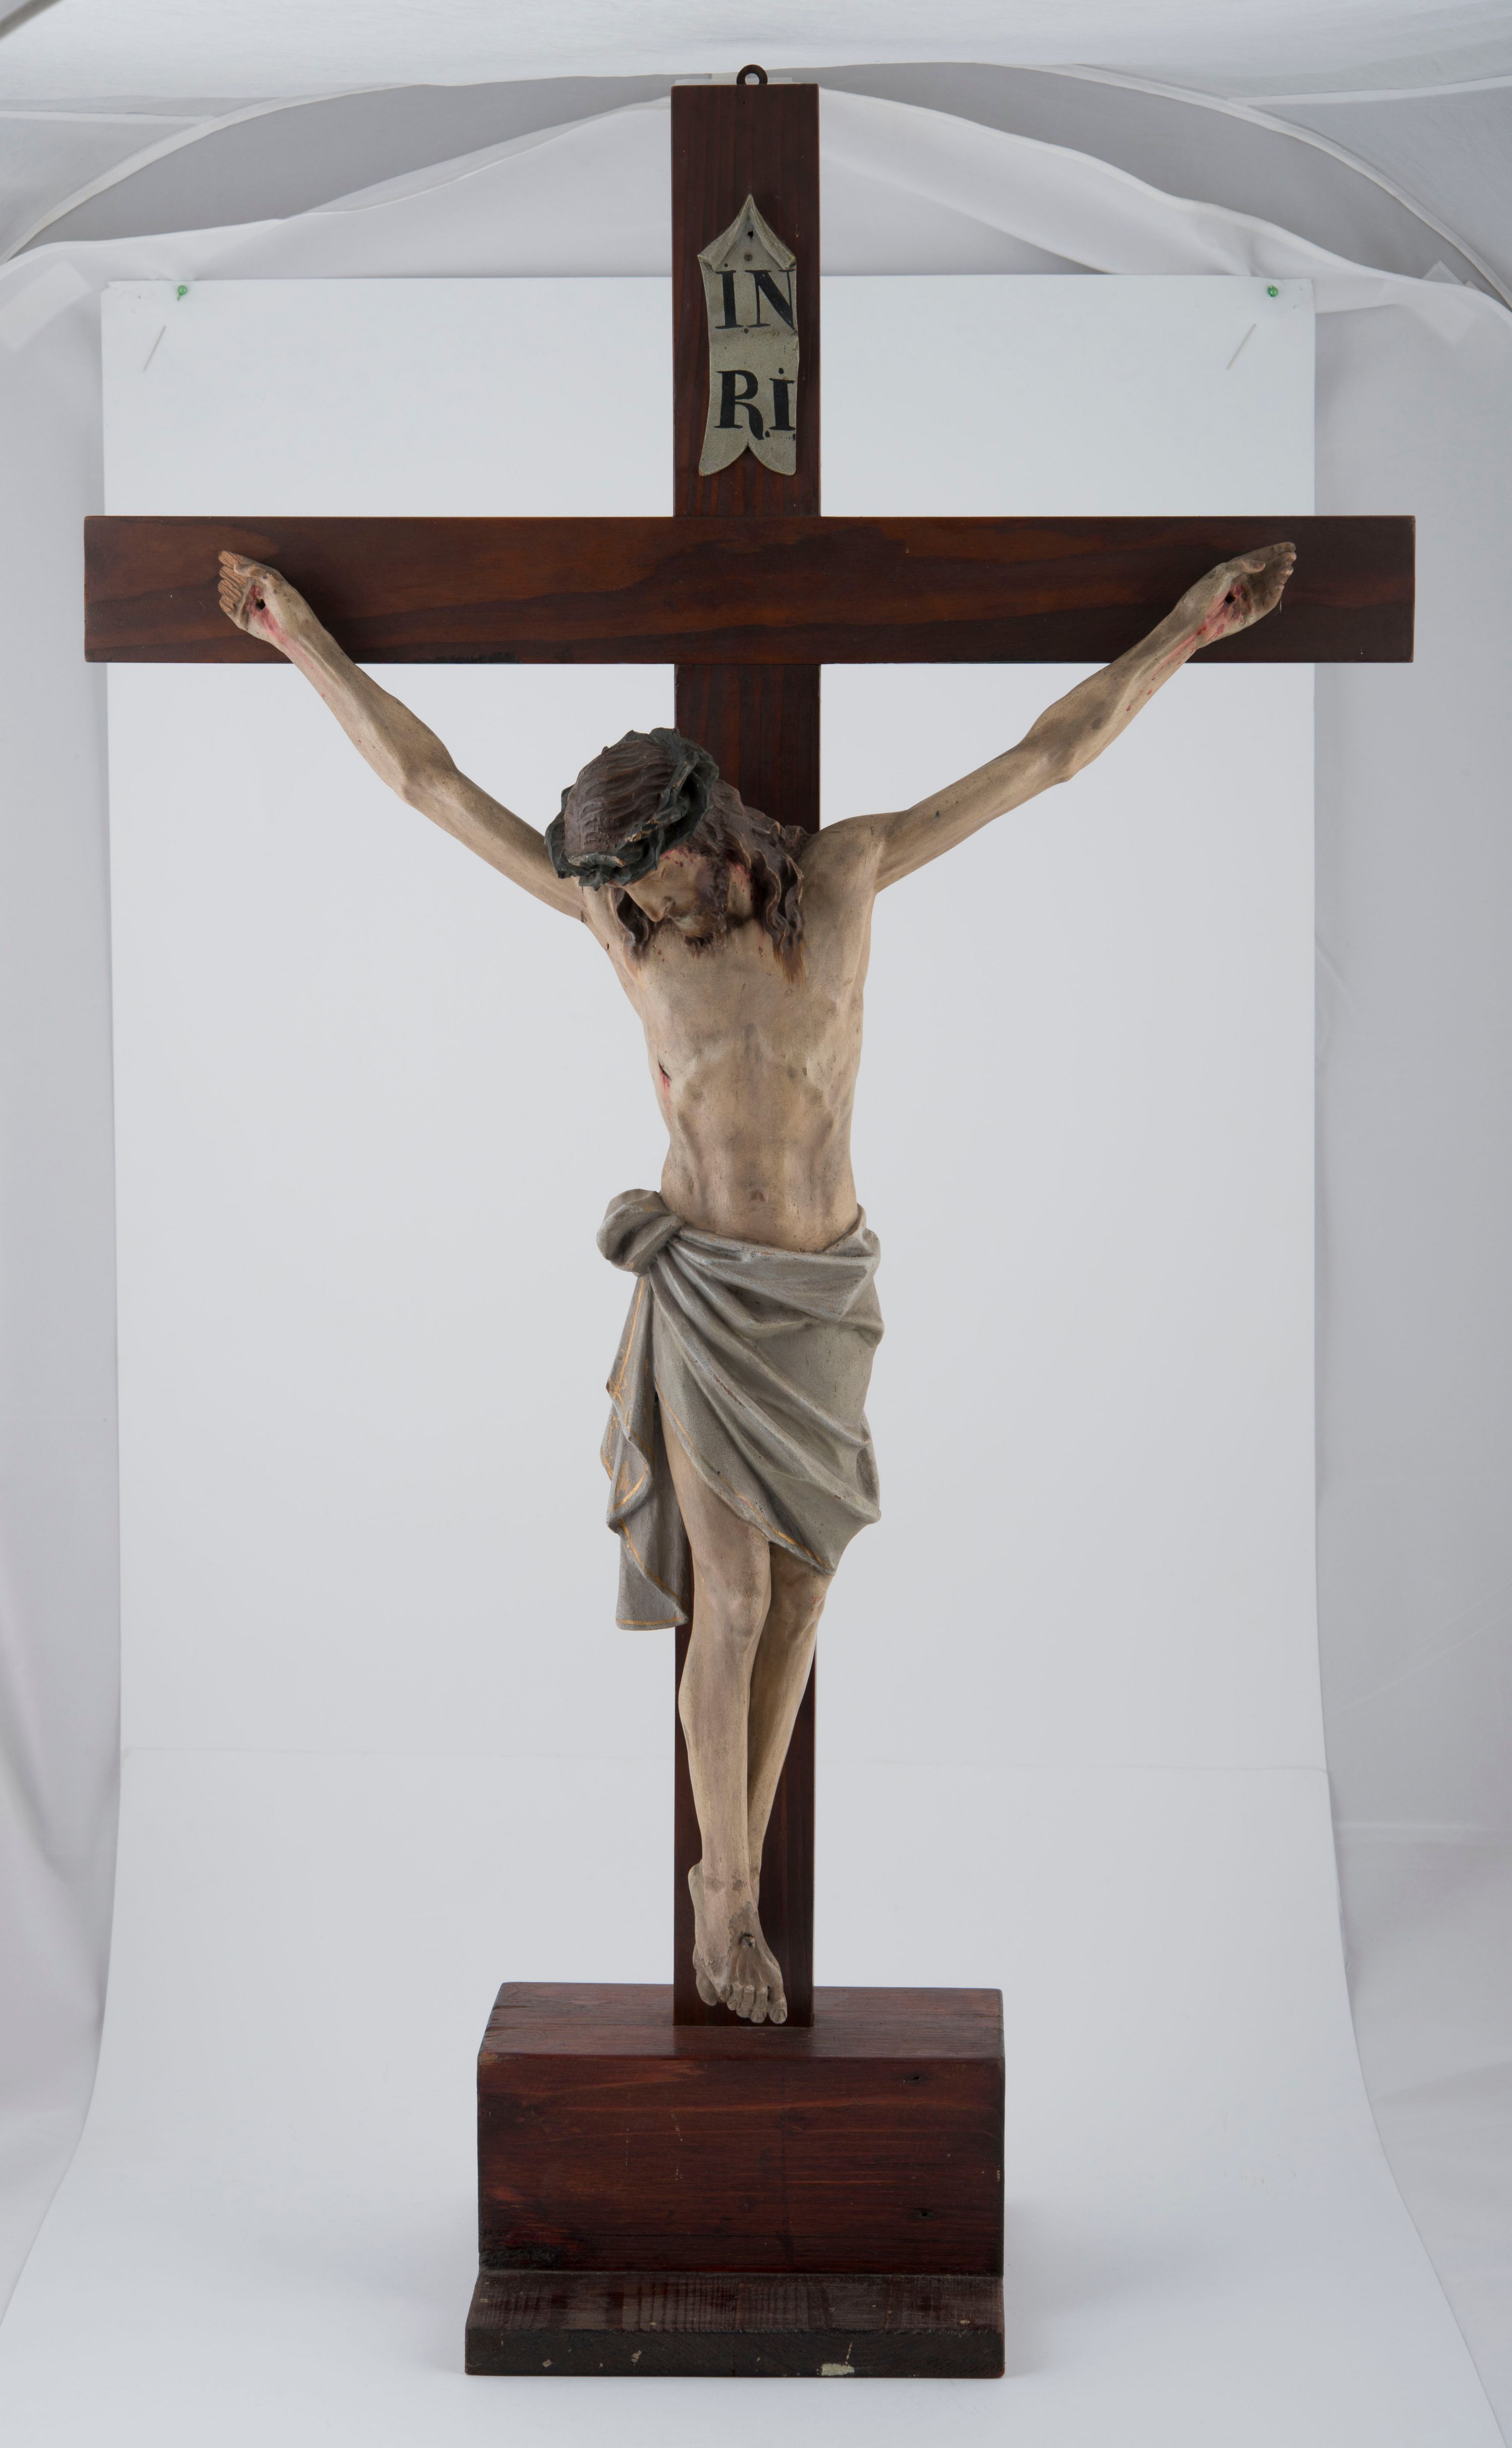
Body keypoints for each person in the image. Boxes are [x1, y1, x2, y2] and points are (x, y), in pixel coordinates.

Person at [218, 538, 1296, 2024]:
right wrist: (298, 639)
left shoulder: (846, 876)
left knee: (803, 1595)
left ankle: (733, 1866)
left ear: (705, 827)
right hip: (711, 1302)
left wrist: (1189, 627)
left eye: (648, 874)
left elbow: (1046, 757)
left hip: (824, 1300)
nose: (635, 906)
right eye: (617, 889)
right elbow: (432, 784)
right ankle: (726, 1898)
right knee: (728, 1599)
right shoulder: (624, 929)